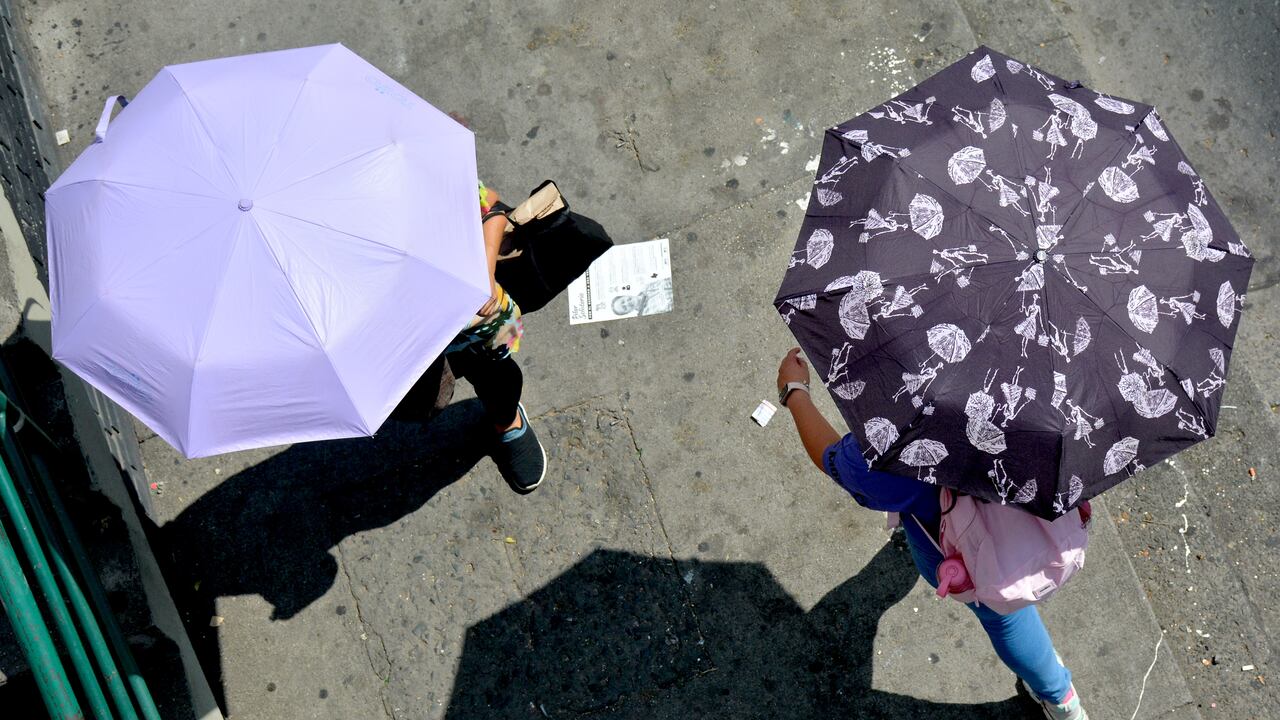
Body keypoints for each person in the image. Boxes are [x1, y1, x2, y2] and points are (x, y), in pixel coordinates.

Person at [775, 347, 1089, 720]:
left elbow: (837, 463)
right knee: (1005, 611)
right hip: (1041, 509)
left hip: (966, 552)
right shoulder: (1051, 364)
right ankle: (1059, 701)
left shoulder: (903, 438)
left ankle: (1058, 694)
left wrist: (794, 392)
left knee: (1002, 613)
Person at [397, 183, 546, 494]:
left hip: (476, 321)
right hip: (408, 345)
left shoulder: (408, 170)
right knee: (424, 399)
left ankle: (507, 421)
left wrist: (486, 271)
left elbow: (491, 209)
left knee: (499, 375)